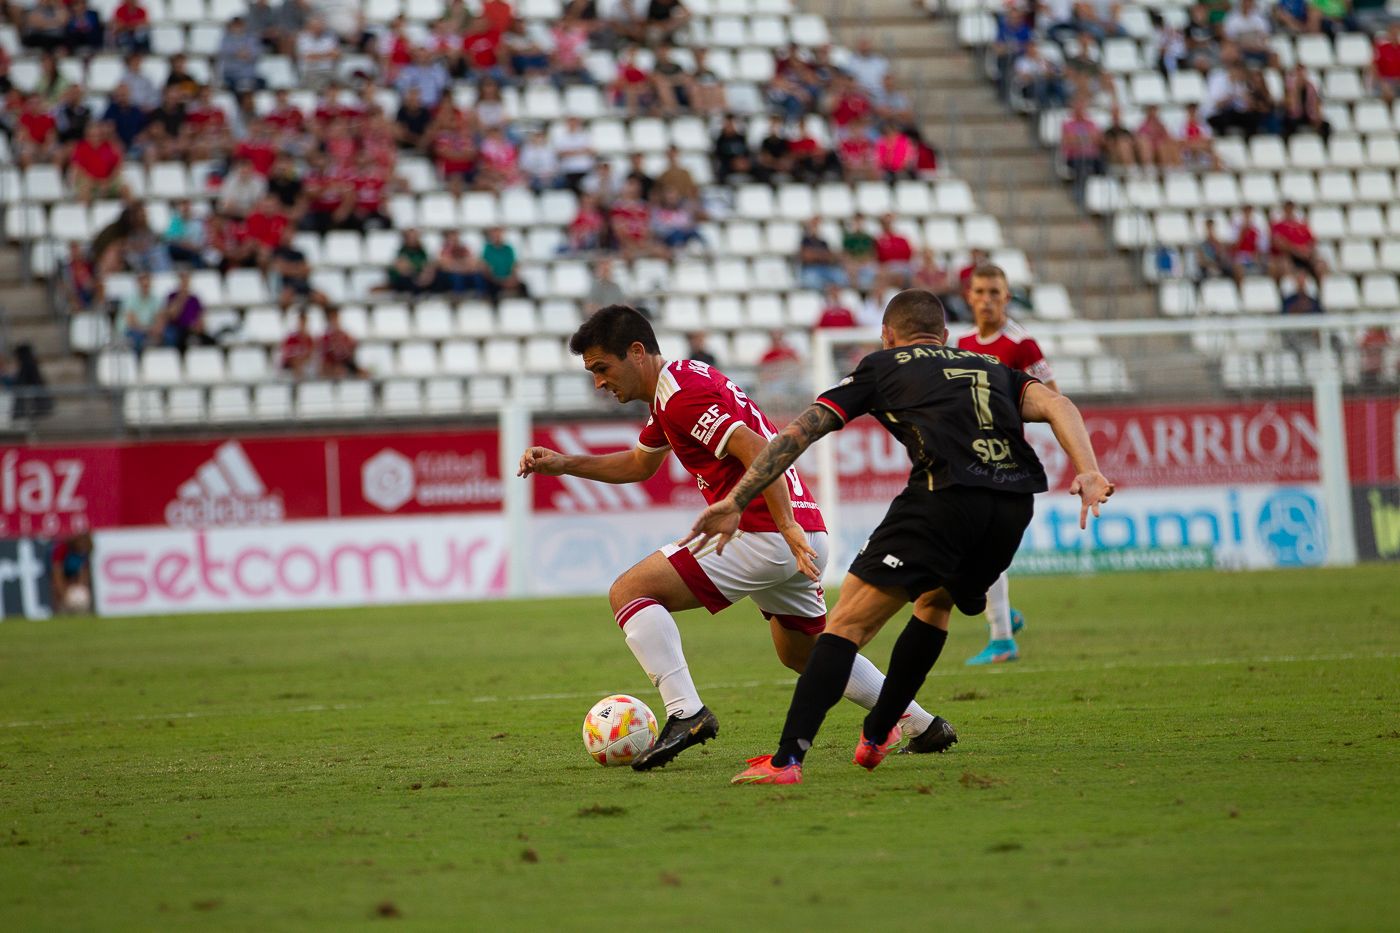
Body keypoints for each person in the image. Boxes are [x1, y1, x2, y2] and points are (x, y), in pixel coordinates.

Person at [683, 289, 1113, 784]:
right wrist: (1089, 471)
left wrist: (737, 500)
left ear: (887, 335)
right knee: (933, 604)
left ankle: (786, 761)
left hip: (945, 496)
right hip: (1014, 505)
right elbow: (1059, 404)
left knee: (844, 626)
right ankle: (879, 731)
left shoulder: (882, 364)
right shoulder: (989, 365)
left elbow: (800, 433)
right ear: (946, 336)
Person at [516, 306, 957, 772]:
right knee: (804, 655)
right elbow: (639, 464)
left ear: (637, 352)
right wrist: (564, 464)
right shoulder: (676, 387)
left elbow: (755, 448)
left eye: (602, 368)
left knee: (630, 591)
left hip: (765, 530)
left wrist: (783, 525)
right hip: (805, 530)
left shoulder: (680, 396)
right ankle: (921, 724)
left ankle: (686, 712)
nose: (600, 383)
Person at [951, 264, 1058, 664]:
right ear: (969, 296)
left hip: (1004, 460)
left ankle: (1001, 638)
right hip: (968, 458)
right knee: (969, 548)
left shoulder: (1021, 344)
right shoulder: (959, 341)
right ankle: (1002, 615)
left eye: (995, 292)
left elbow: (1052, 399)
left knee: (982, 546)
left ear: (1007, 297)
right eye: (980, 291)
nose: (987, 299)